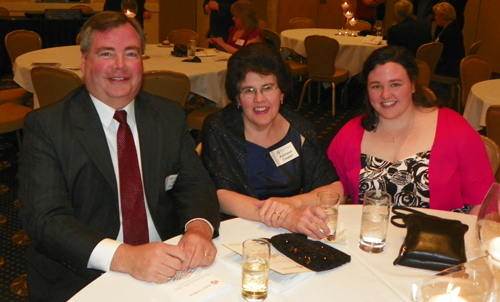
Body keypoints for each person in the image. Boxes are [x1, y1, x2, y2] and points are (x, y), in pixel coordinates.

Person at [18, 11, 220, 302]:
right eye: (106, 53)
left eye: (131, 53)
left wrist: (199, 230)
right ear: (84, 62)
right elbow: (45, 221)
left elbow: (195, 184)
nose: (120, 66)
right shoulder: (48, 126)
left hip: (169, 264)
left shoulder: (168, 115)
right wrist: (127, 258)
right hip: (85, 273)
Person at [327, 46, 494, 214]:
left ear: (413, 85)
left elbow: (484, 202)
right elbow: (331, 186)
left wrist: (470, 238)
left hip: (442, 236)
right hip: (373, 236)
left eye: (395, 84)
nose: (386, 95)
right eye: (376, 86)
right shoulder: (351, 132)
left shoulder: (455, 128)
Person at [201, 43, 344, 239]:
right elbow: (218, 194)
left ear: (281, 93)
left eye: (267, 88)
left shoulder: (300, 130)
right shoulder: (219, 128)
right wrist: (281, 216)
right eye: (249, 90)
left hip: (291, 230)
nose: (259, 99)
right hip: (235, 232)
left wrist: (293, 204)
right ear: (237, 98)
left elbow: (335, 190)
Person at [433, 2, 465, 78]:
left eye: (437, 15)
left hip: (449, 70)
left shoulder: (449, 33)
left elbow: (443, 55)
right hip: (453, 66)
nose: (435, 18)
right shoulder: (453, 27)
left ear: (443, 16)